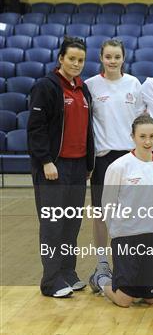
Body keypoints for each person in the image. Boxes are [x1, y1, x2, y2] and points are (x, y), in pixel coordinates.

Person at [27, 36, 95, 298]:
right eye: (71, 59)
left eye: (80, 60)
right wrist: (45, 161)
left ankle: (68, 273)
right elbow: (35, 129)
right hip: (53, 167)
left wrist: (88, 163)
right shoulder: (46, 87)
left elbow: (87, 130)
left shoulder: (83, 89)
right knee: (53, 225)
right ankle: (50, 281)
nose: (76, 64)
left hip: (78, 168)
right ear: (60, 59)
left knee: (71, 224)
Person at [86, 39, 145, 292]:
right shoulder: (90, 85)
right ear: (101, 57)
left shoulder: (134, 84)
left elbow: (141, 121)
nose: (112, 61)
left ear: (123, 58)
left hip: (130, 157)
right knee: (101, 214)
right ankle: (101, 263)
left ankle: (134, 262)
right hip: (103, 159)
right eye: (108, 56)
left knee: (132, 213)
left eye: (116, 56)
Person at [98, 114, 153, 307]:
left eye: (152, 136)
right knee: (124, 300)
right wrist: (117, 232)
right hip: (126, 236)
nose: (147, 141)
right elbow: (108, 203)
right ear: (133, 136)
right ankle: (101, 279)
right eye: (142, 136)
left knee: (151, 299)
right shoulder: (119, 166)